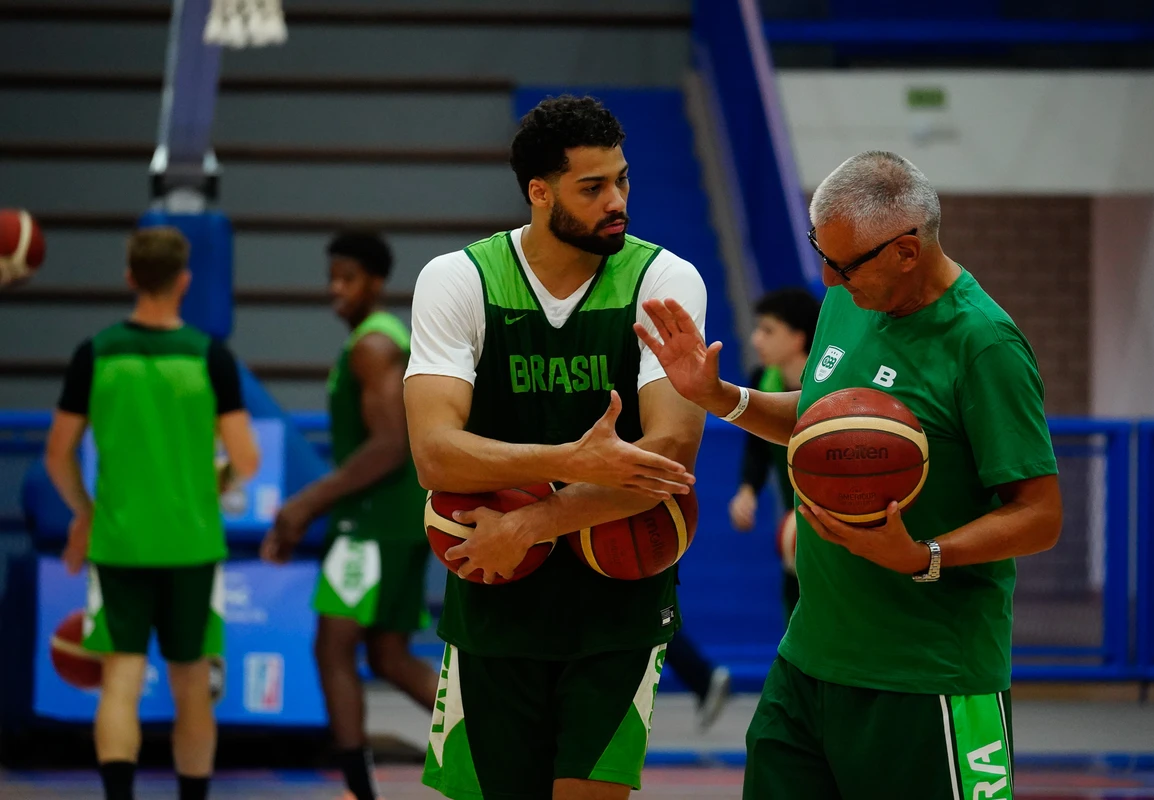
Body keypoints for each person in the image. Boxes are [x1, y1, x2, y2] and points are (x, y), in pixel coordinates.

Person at [637, 150, 1063, 800]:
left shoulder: (984, 345)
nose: (828, 280)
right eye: (821, 253)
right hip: (809, 661)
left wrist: (922, 555)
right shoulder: (848, 301)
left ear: (906, 251)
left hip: (930, 676)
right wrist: (720, 396)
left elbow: (1039, 515)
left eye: (843, 263)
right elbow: (820, 433)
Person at [404, 94, 707, 800]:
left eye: (623, 180)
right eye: (593, 187)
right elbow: (435, 455)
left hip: (620, 609)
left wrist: (536, 520)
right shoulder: (459, 280)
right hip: (493, 600)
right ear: (540, 193)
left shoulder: (663, 280)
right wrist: (569, 460)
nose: (617, 201)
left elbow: (671, 456)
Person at [43, 226, 260, 800]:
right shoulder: (210, 357)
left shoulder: (95, 353)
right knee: (192, 683)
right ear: (184, 281)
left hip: (119, 544)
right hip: (191, 545)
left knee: (120, 680)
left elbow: (57, 454)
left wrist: (84, 511)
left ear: (129, 277)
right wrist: (220, 476)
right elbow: (247, 459)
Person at [260, 232, 437, 800]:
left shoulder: (373, 346)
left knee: (332, 647)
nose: (336, 289)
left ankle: (358, 792)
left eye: (349, 278)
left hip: (372, 523)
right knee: (387, 656)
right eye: (332, 277)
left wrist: (307, 501)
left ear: (377, 283)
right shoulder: (382, 340)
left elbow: (389, 444)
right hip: (399, 518)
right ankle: (504, 741)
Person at [728, 287, 820, 622]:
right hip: (794, 523)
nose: (755, 340)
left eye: (768, 330)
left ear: (798, 338)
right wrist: (747, 490)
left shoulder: (834, 386)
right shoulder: (763, 380)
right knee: (794, 604)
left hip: (840, 518)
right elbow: (757, 447)